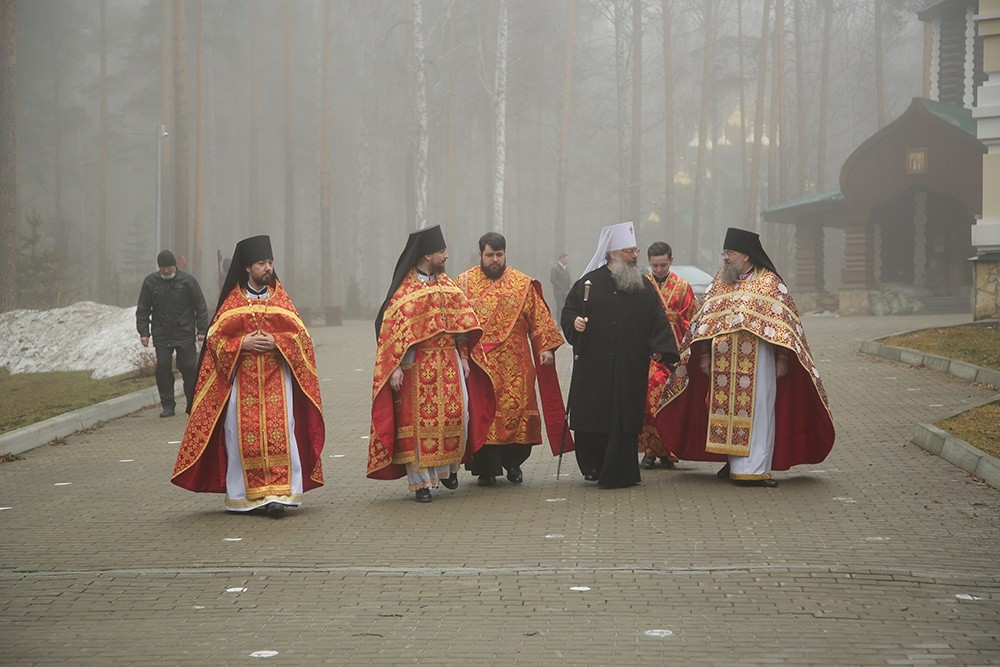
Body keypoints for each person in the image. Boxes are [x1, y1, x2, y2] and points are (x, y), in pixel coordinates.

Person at [655, 227, 835, 487]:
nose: (725, 258)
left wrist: (783, 358)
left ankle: (755, 470)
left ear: (746, 256)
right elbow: (704, 320)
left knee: (759, 410)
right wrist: (704, 355)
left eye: (730, 253)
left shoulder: (769, 283)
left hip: (759, 360)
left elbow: (786, 326)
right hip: (722, 363)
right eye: (724, 253)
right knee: (724, 413)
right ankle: (733, 464)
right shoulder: (721, 280)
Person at [171, 235, 325, 513]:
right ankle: (247, 496)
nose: (268, 268)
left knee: (281, 433)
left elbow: (302, 340)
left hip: (278, 380)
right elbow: (214, 341)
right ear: (247, 268)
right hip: (242, 383)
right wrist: (242, 343)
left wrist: (277, 342)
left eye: (270, 262)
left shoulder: (281, 300)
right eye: (261, 263)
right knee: (241, 436)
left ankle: (280, 494)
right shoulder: (232, 303)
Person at [368, 225, 495, 503]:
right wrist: (395, 367)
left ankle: (449, 469)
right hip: (417, 366)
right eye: (441, 251)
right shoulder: (404, 293)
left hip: (449, 361)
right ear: (428, 255)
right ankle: (421, 484)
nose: (446, 256)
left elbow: (462, 327)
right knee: (418, 426)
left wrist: (464, 357)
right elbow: (391, 334)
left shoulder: (448, 286)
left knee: (457, 418)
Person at [561, 222, 678, 489]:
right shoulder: (589, 283)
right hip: (595, 365)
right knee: (594, 414)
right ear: (613, 253)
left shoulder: (642, 286)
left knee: (625, 417)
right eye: (629, 251)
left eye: (635, 250)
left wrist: (661, 347)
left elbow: (657, 318)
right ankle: (593, 465)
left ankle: (623, 469)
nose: (635, 255)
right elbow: (569, 312)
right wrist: (574, 323)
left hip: (629, 364)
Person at [456, 232, 570, 487]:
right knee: (483, 416)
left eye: (499, 255)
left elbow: (539, 319)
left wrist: (545, 347)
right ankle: (485, 469)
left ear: (505, 253)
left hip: (516, 365)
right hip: (479, 365)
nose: (495, 260)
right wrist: (462, 355)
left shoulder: (522, 284)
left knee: (516, 414)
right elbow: (458, 326)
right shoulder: (463, 283)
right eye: (489, 255)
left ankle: (514, 464)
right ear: (480, 255)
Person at [638, 241, 699, 470]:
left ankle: (669, 450)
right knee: (649, 402)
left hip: (675, 353)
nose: (659, 269)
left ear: (671, 261)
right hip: (649, 354)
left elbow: (692, 320)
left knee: (673, 402)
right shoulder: (642, 285)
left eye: (663, 265)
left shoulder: (683, 287)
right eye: (655, 265)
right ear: (649, 262)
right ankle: (650, 450)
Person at [136, 249, 209, 418]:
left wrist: (202, 330)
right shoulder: (150, 283)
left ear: (175, 266)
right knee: (163, 367)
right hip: (162, 333)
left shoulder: (187, 281)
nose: (167, 271)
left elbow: (200, 305)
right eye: (163, 268)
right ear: (159, 267)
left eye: (169, 267)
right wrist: (144, 332)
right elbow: (143, 309)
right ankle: (168, 405)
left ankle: (192, 402)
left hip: (184, 332)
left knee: (189, 368)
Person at [550, 253, 571, 322]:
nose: (567, 260)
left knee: (565, 307)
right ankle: (559, 322)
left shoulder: (566, 268)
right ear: (561, 259)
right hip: (558, 292)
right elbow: (553, 279)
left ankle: (564, 321)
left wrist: (570, 286)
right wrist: (560, 287)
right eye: (566, 259)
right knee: (560, 306)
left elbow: (568, 279)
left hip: (566, 291)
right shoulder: (555, 268)